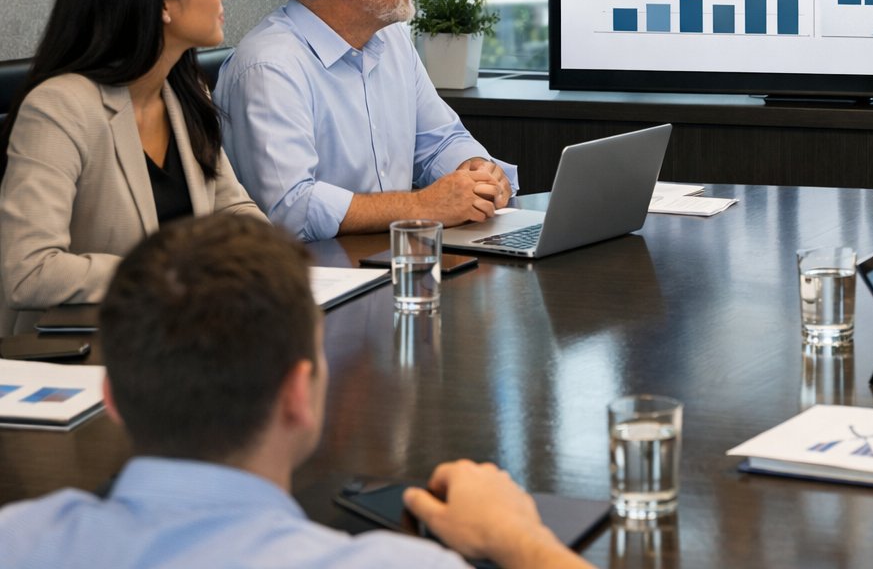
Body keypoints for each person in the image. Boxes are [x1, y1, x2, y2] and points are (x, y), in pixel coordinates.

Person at [0, 213, 590, 569]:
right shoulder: (402, 563)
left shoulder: (17, 539)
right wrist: (520, 539)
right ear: (297, 395)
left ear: (113, 397)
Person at [0, 0, 263, 333]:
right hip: (79, 360)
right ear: (163, 2)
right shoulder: (57, 110)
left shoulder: (185, 90)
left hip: (181, 342)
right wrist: (178, 275)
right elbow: (30, 272)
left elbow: (232, 208)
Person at [214, 0, 516, 241]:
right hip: (313, 278)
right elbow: (291, 209)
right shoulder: (269, 67)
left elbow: (440, 140)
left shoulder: (392, 40)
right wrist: (422, 206)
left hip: (396, 258)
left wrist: (476, 171)